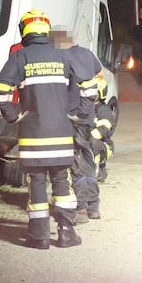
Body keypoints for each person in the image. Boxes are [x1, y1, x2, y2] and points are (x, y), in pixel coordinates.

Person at [0, 8, 81, 249]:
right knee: (62, 181)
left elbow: (0, 91)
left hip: (32, 134)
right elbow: (79, 88)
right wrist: (69, 112)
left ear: (25, 31)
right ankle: (66, 233)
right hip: (61, 133)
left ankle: (39, 236)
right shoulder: (64, 56)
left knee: (37, 182)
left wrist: (13, 117)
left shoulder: (20, 58)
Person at [62, 36, 110, 223]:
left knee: (76, 163)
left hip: (73, 116)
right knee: (89, 162)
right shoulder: (87, 54)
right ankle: (94, 206)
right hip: (88, 116)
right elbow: (100, 76)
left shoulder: (63, 57)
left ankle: (81, 208)